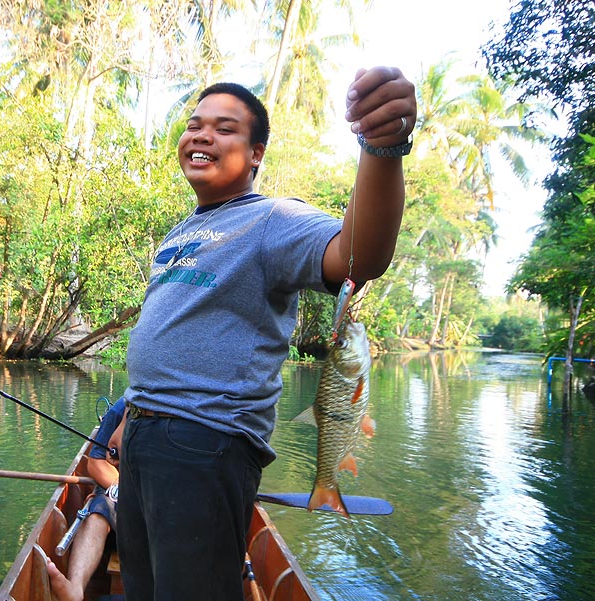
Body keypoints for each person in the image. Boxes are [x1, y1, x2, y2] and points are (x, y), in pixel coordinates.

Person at [111, 67, 417, 600]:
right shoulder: (185, 227)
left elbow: (357, 256)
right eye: (194, 124)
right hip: (142, 439)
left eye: (225, 129)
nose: (202, 135)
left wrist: (382, 148)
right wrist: (132, 415)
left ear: (256, 154)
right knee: (143, 588)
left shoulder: (274, 219)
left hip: (204, 440)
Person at [46, 397, 126, 601]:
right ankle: (75, 588)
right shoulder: (123, 407)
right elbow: (96, 463)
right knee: (99, 508)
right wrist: (123, 491)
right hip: (123, 495)